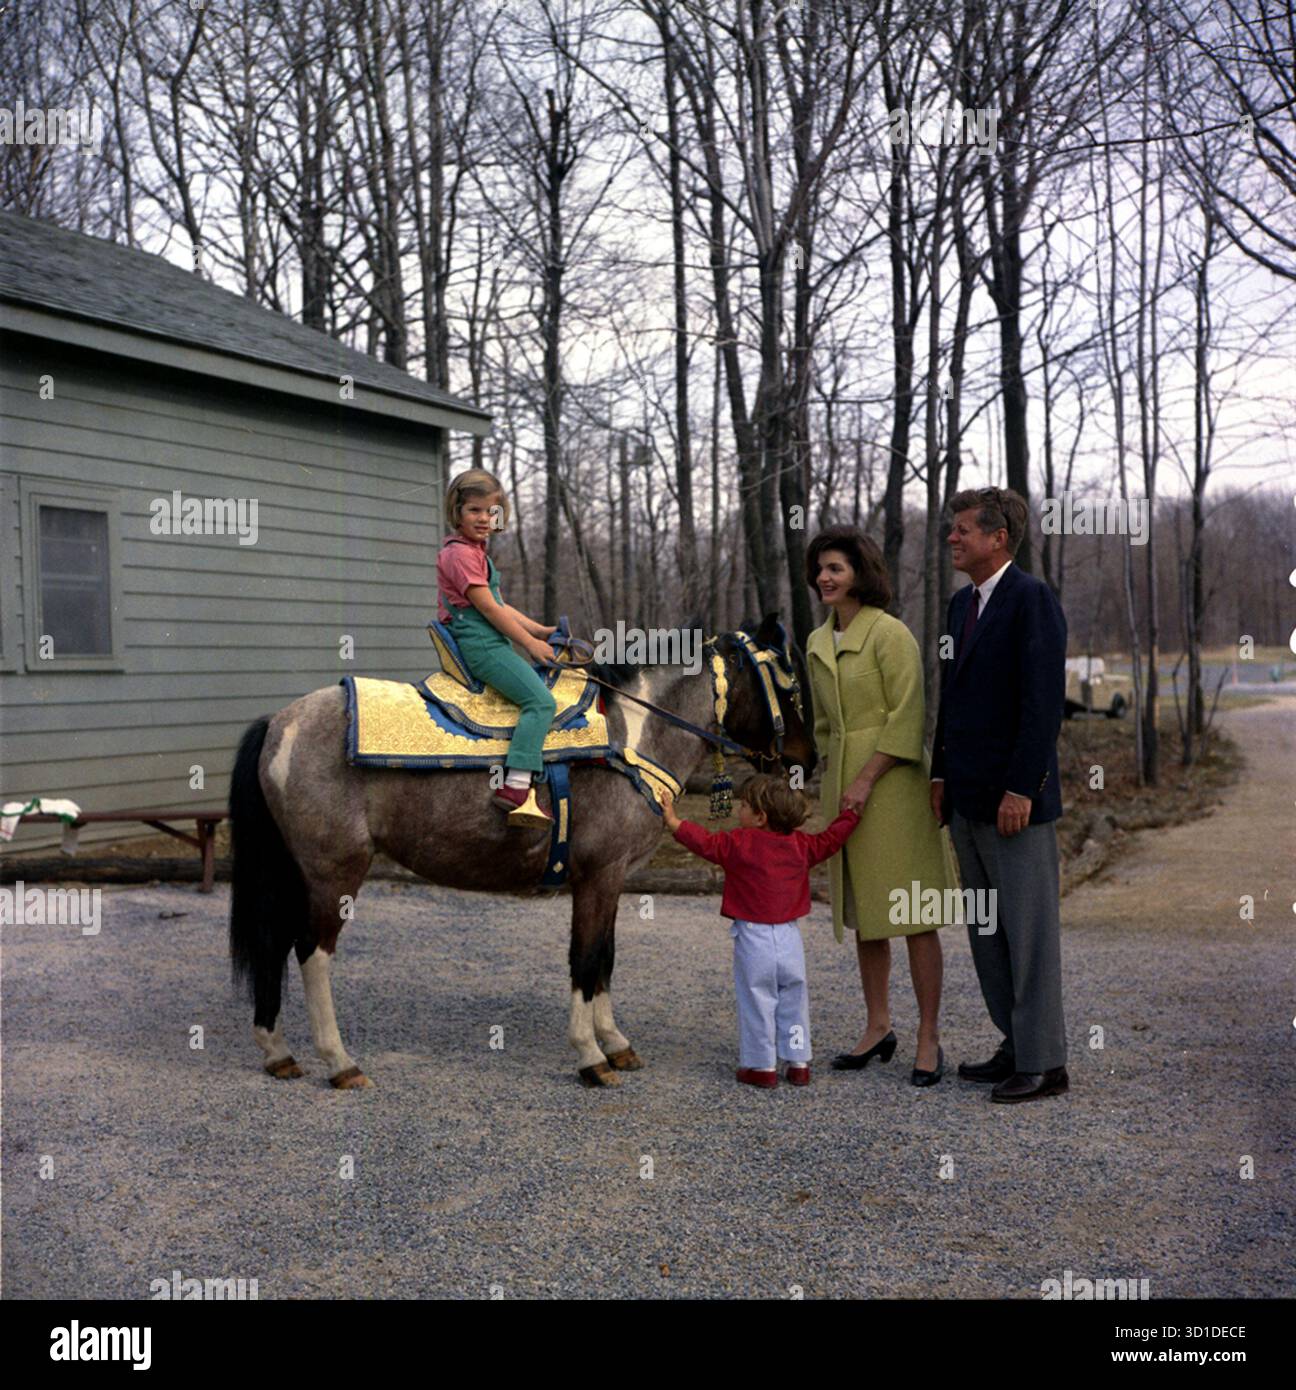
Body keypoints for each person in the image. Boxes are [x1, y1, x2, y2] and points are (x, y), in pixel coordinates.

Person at [931, 486, 1070, 1103]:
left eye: (963, 529)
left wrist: (1023, 789)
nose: (953, 538)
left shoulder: (1031, 600)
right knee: (988, 931)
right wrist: (939, 776)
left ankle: (1046, 1064)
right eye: (953, 529)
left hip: (1016, 805)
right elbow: (951, 702)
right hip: (965, 798)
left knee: (1028, 932)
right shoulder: (960, 606)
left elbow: (1042, 707)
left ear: (998, 538)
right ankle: (1014, 1045)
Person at [805, 526, 958, 1086]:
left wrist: (867, 779)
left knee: (912, 914)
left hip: (893, 787)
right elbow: (823, 726)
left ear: (860, 574)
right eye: (821, 568)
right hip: (842, 786)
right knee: (868, 915)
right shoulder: (817, 642)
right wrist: (832, 775)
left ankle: (928, 1037)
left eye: (836, 568)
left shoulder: (890, 634)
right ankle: (877, 1027)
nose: (825, 576)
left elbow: (909, 715)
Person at [660, 777, 859, 1089]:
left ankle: (761, 1066)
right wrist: (851, 815)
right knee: (794, 998)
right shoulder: (802, 845)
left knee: (757, 1000)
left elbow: (705, 842)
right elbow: (831, 839)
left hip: (754, 937)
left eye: (744, 806)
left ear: (760, 817)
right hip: (790, 937)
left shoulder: (738, 843)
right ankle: (798, 1062)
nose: (739, 810)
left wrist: (673, 820)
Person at [436, 469, 558, 827]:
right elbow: (488, 610)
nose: (484, 519)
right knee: (540, 701)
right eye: (474, 510)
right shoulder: (460, 555)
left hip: (490, 639)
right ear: (457, 512)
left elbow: (500, 604)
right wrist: (531, 644)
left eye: (491, 512)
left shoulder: (475, 553)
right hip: (481, 645)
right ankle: (517, 785)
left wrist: (539, 629)